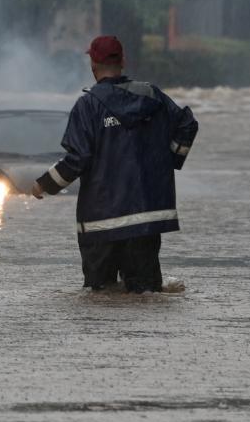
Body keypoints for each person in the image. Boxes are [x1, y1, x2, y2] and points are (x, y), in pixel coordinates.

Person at [31, 35, 198, 292]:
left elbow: (78, 159)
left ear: (93, 64)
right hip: (146, 221)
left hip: (101, 224)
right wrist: (171, 158)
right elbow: (187, 124)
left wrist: (44, 185)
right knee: (146, 296)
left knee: (100, 298)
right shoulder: (152, 96)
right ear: (123, 60)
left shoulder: (87, 106)